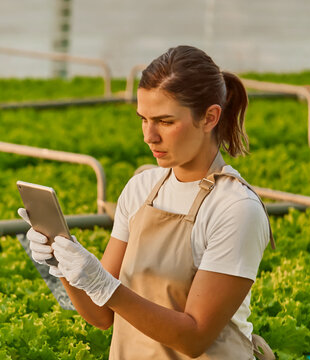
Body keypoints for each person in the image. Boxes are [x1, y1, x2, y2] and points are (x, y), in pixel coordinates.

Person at [19, 45, 276, 359]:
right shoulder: (142, 187)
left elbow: (195, 338)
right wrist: (62, 262)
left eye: (165, 122)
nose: (149, 136)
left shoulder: (235, 208)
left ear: (209, 117)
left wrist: (104, 285)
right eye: (143, 119)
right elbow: (102, 316)